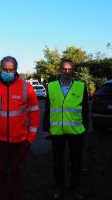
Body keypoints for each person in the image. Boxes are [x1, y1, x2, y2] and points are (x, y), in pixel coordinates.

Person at [0, 56, 40, 200]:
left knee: (17, 173)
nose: (7, 72)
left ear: (15, 70)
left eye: (10, 70)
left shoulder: (26, 87)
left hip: (20, 142)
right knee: (1, 175)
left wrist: (30, 138)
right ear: (0, 69)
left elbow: (35, 112)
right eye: (5, 69)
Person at [43, 59, 89, 200]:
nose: (66, 72)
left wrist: (84, 128)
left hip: (76, 133)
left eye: (69, 69)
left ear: (73, 70)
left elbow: (85, 110)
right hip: (57, 132)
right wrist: (46, 129)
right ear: (59, 70)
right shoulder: (51, 86)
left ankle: (74, 188)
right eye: (64, 69)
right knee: (58, 162)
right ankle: (59, 188)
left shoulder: (81, 87)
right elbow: (48, 110)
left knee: (76, 162)